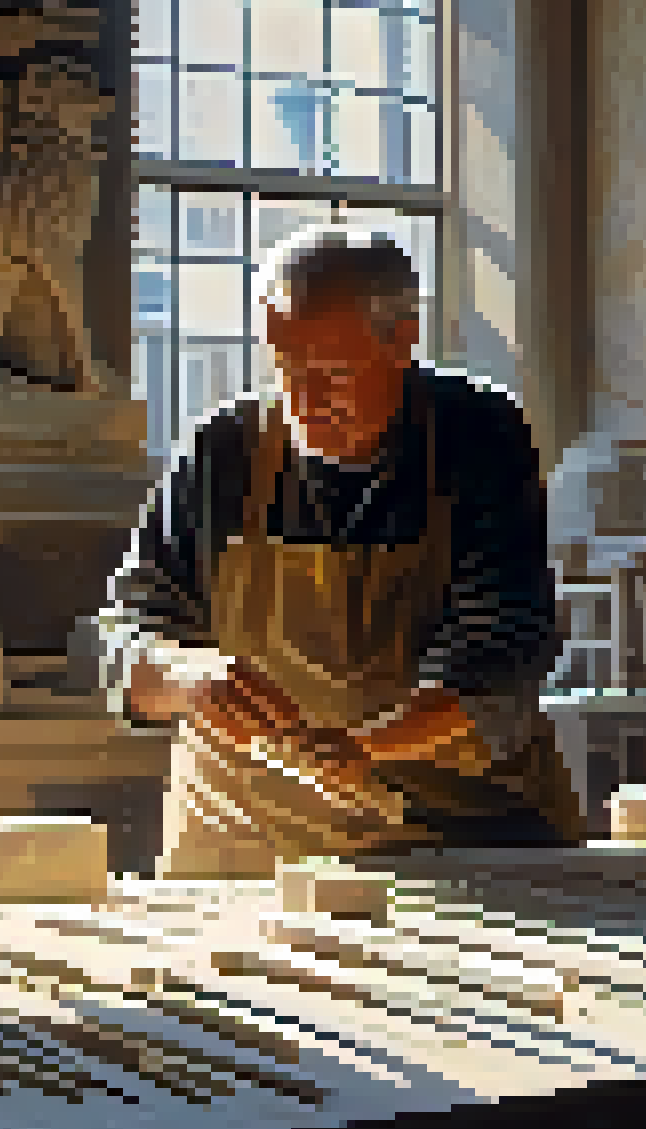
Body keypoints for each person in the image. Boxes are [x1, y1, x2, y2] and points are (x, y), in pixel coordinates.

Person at [102, 227, 580, 878]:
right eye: (286, 370)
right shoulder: (224, 451)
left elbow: (502, 656)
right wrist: (184, 678)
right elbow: (122, 632)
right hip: (246, 839)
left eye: (333, 375)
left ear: (403, 340)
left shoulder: (477, 435)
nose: (303, 403)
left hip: (460, 829)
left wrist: (368, 747)